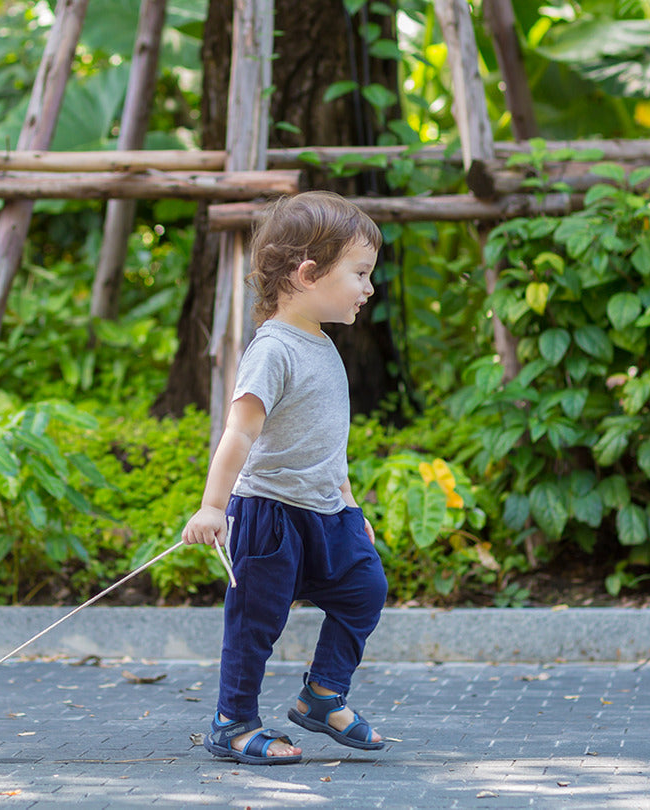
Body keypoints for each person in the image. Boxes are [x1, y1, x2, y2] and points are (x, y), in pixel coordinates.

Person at [182, 190, 389, 766]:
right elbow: (239, 435)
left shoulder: (323, 345)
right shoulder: (273, 349)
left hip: (326, 512)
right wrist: (212, 507)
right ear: (307, 273)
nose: (369, 287)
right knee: (256, 623)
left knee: (366, 589)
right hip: (269, 514)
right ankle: (233, 722)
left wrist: (352, 510)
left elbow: (329, 443)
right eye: (360, 272)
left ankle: (323, 694)